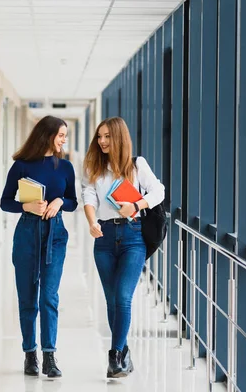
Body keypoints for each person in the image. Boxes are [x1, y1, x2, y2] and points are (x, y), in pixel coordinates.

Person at [81, 117, 164, 378]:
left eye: (107, 136)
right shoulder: (94, 166)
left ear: (118, 137)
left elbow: (158, 191)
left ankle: (115, 356)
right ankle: (123, 352)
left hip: (132, 237)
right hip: (104, 238)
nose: (102, 141)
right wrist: (92, 221)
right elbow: (88, 195)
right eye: (99, 137)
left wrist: (137, 206)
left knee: (123, 296)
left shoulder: (137, 165)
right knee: (111, 299)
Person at [0, 115, 78, 378]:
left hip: (55, 235)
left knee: (49, 297)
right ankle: (29, 355)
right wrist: (27, 206)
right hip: (27, 234)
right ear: (47, 135)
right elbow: (4, 201)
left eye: (65, 136)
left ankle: (49, 356)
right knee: (27, 298)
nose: (64, 140)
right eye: (61, 135)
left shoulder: (66, 167)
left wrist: (59, 203)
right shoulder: (21, 166)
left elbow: (73, 201)